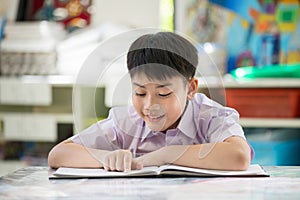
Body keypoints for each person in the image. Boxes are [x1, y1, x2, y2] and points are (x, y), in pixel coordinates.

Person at [48, 32, 252, 172]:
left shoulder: (210, 116)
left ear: (190, 89)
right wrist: (104, 158)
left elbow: (239, 156)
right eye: (140, 92)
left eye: (163, 94)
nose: (149, 105)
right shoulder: (127, 122)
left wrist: (166, 155)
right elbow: (59, 154)